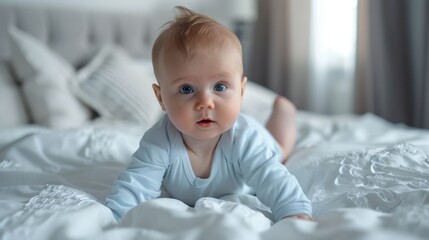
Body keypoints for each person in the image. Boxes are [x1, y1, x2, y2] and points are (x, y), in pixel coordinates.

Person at [105, 6, 312, 222]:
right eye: (186, 89)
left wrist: (292, 210)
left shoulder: (246, 138)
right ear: (161, 99)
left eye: (220, 87)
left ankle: (283, 111)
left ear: (241, 91)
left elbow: (272, 177)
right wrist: (114, 218)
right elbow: (136, 184)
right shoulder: (159, 140)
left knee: (280, 150)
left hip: (262, 143)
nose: (205, 103)